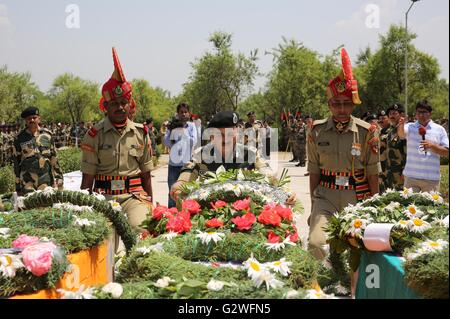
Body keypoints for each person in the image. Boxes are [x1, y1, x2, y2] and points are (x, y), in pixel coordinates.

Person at [307, 48, 380, 261]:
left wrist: (374, 208)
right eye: (336, 103)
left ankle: (352, 285)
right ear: (329, 105)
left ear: (353, 104)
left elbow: (373, 173)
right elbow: (313, 171)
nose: (341, 108)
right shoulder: (316, 131)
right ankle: (317, 286)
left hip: (356, 197)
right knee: (316, 243)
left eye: (346, 103)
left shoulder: (368, 132)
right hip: (325, 196)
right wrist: (313, 207)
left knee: (358, 250)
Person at [80, 47, 153, 232]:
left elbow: (146, 174)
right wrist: (83, 210)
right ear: (106, 107)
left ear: (130, 105)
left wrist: (150, 205)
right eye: (114, 103)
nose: (120, 107)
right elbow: (88, 178)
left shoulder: (141, 133)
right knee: (100, 235)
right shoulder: (94, 135)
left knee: (142, 229)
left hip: (133, 197)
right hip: (104, 196)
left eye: (123, 103)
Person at [170, 111, 297, 206]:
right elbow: (185, 177)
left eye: (231, 134)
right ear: (212, 137)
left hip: (246, 213)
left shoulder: (250, 154)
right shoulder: (201, 155)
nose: (226, 139)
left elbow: (269, 175)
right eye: (221, 135)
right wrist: (178, 187)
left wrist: (286, 191)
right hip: (209, 213)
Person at [398, 100, 449, 192]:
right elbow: (401, 134)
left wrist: (432, 146)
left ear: (430, 113)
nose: (421, 115)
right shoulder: (409, 126)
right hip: (411, 177)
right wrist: (401, 125)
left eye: (424, 112)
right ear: (416, 113)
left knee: (430, 206)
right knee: (408, 205)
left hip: (431, 179)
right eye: (419, 112)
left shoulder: (439, 129)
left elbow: (446, 152)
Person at [13, 106, 64, 195]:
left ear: (39, 119)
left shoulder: (47, 135)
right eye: (29, 118)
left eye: (34, 117)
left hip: (46, 180)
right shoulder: (19, 138)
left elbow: (54, 157)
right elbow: (16, 163)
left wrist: (59, 177)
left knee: (47, 206)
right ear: (26, 120)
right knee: (29, 207)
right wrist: (17, 186)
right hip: (27, 182)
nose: (32, 120)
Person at [163, 103, 198, 208]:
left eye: (185, 112)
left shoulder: (191, 126)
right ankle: (171, 216)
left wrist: (183, 131)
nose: (183, 114)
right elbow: (166, 142)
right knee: (172, 192)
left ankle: (186, 215)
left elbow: (194, 142)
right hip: (173, 165)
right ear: (177, 114)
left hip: (187, 166)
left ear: (189, 113)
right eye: (181, 112)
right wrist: (172, 130)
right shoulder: (172, 126)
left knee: (187, 192)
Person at [383, 104, 407, 191]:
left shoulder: (404, 130)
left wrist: (405, 170)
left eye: (394, 113)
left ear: (401, 115)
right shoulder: (390, 131)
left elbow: (407, 152)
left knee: (403, 197)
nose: (391, 116)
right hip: (390, 171)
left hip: (400, 171)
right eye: (390, 114)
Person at [378, 109, 390, 193]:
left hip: (389, 166)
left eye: (383, 118)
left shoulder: (392, 131)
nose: (381, 121)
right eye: (380, 118)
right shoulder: (380, 132)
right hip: (381, 166)